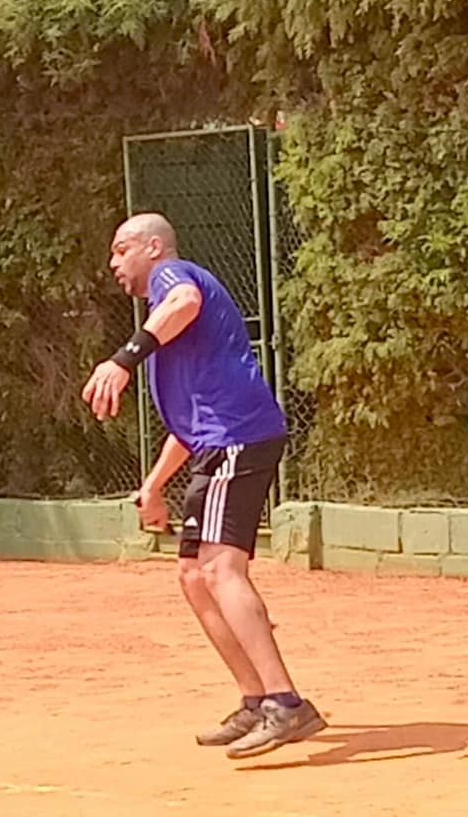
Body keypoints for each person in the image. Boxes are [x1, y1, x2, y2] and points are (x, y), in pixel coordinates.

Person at [82, 212, 326, 759]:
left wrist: (123, 360)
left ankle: (286, 703)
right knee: (194, 575)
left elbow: (185, 300)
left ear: (153, 247)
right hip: (223, 440)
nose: (114, 263)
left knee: (219, 569)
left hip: (238, 438)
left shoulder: (174, 278)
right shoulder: (174, 332)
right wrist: (153, 486)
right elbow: (192, 425)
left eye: (121, 250)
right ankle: (256, 699)